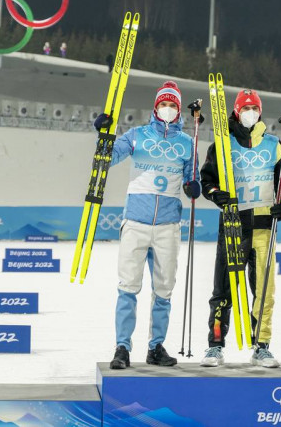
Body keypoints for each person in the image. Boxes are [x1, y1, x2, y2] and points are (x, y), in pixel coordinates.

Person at [95, 80, 200, 370]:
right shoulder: (137, 135)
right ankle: (122, 347)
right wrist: (104, 134)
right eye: (163, 104)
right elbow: (107, 158)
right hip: (136, 222)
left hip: (168, 225)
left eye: (172, 105)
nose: (167, 109)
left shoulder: (186, 143)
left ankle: (156, 347)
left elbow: (194, 180)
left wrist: (194, 187)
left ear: (178, 110)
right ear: (156, 107)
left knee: (164, 289)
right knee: (128, 286)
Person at [199, 89, 281, 368]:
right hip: (233, 225)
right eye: (245, 108)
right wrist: (216, 194)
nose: (250, 112)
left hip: (264, 226)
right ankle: (215, 346)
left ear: (259, 112)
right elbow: (207, 179)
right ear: (236, 112)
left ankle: (261, 346)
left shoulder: (274, 145)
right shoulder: (222, 143)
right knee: (224, 289)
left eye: (254, 108)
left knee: (264, 290)